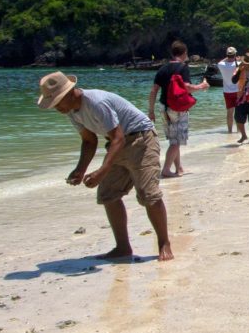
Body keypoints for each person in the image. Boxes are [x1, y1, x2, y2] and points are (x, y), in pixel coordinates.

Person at [38, 71, 173, 261]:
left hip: (141, 139)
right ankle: (123, 247)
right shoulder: (72, 111)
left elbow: (118, 138)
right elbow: (89, 141)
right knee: (108, 195)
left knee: (148, 195)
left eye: (57, 102)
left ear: (70, 93)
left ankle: (164, 243)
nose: (56, 108)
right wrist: (80, 170)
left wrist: (101, 171)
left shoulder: (95, 102)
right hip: (118, 144)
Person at [149, 40, 209, 177]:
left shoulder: (162, 69)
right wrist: (202, 86)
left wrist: (150, 111)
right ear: (184, 53)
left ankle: (179, 168)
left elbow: (153, 91)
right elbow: (187, 87)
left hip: (163, 107)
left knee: (173, 140)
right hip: (177, 108)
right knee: (176, 141)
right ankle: (165, 170)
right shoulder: (183, 68)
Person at [216, 46, 239, 133]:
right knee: (238, 112)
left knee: (229, 112)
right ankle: (239, 130)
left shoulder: (221, 65)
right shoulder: (238, 64)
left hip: (227, 91)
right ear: (235, 55)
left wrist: (228, 57)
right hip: (237, 91)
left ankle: (229, 131)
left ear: (227, 55)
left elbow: (220, 61)